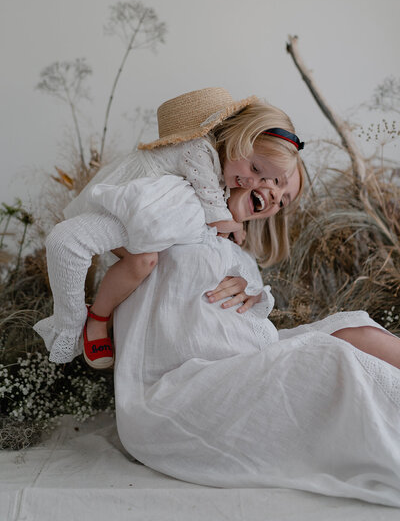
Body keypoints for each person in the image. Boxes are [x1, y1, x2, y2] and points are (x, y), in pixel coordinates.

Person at [108, 174, 400, 507]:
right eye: (274, 178)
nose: (276, 198)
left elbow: (251, 314)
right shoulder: (170, 221)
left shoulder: (237, 254)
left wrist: (251, 286)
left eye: (284, 200)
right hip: (178, 389)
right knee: (331, 357)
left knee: (355, 329)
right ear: (236, 168)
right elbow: (120, 235)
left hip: (244, 360)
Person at [34, 87, 304, 368]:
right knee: (142, 259)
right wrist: (230, 224)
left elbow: (253, 287)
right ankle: (90, 322)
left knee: (145, 260)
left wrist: (249, 287)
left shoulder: (233, 247)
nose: (270, 191)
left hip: (214, 345)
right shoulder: (181, 197)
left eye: (282, 199)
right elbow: (210, 212)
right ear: (237, 141)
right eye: (267, 177)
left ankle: (98, 320)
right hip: (166, 346)